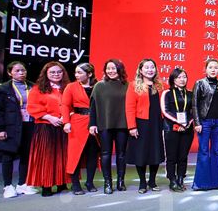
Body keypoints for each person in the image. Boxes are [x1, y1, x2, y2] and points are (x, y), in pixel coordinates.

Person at [0, 61, 37, 198]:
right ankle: (8, 186)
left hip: (29, 124)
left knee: (26, 155)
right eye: (17, 71)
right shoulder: (3, 89)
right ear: (9, 73)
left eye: (23, 70)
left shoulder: (33, 86)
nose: (21, 73)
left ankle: (22, 183)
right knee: (8, 156)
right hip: (10, 126)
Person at [26, 61, 70, 196]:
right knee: (47, 158)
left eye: (59, 72)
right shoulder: (37, 89)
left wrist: (65, 117)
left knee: (63, 156)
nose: (56, 74)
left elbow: (72, 105)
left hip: (63, 127)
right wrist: (49, 117)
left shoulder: (68, 87)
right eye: (52, 72)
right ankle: (46, 186)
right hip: (45, 127)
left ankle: (62, 183)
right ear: (46, 74)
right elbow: (32, 106)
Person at [89, 59, 129, 194]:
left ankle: (120, 181)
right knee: (105, 154)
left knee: (121, 154)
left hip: (122, 124)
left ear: (120, 69)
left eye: (113, 68)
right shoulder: (99, 86)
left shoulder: (127, 85)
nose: (111, 71)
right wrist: (92, 124)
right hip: (104, 124)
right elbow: (93, 107)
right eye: (108, 69)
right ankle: (108, 183)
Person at [126, 58, 165, 193]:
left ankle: (152, 181)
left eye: (152, 67)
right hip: (141, 124)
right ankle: (142, 182)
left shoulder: (160, 85)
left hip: (157, 123)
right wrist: (132, 126)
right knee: (140, 154)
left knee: (155, 153)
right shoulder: (133, 86)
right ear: (141, 70)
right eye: (147, 67)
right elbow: (129, 108)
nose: (150, 70)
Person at [62, 62, 100, 195]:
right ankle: (75, 183)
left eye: (79, 72)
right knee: (75, 154)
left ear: (89, 74)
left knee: (93, 154)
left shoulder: (98, 86)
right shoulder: (71, 87)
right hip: (77, 123)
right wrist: (66, 122)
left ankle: (89, 182)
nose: (76, 75)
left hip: (95, 123)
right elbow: (65, 105)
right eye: (76, 72)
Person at [191, 59, 218, 191]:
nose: (213, 70)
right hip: (205, 122)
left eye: (216, 68)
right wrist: (197, 122)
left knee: (216, 152)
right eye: (210, 67)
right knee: (204, 151)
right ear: (205, 69)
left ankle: (216, 183)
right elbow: (194, 104)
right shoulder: (200, 83)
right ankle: (202, 184)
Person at [161, 68, 194, 192]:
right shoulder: (167, 93)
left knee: (183, 156)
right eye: (179, 77)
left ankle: (180, 178)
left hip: (187, 129)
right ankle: (172, 180)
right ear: (173, 79)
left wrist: (187, 123)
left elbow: (193, 111)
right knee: (171, 156)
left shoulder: (190, 94)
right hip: (171, 128)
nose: (182, 79)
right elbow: (165, 111)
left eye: (184, 77)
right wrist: (179, 122)